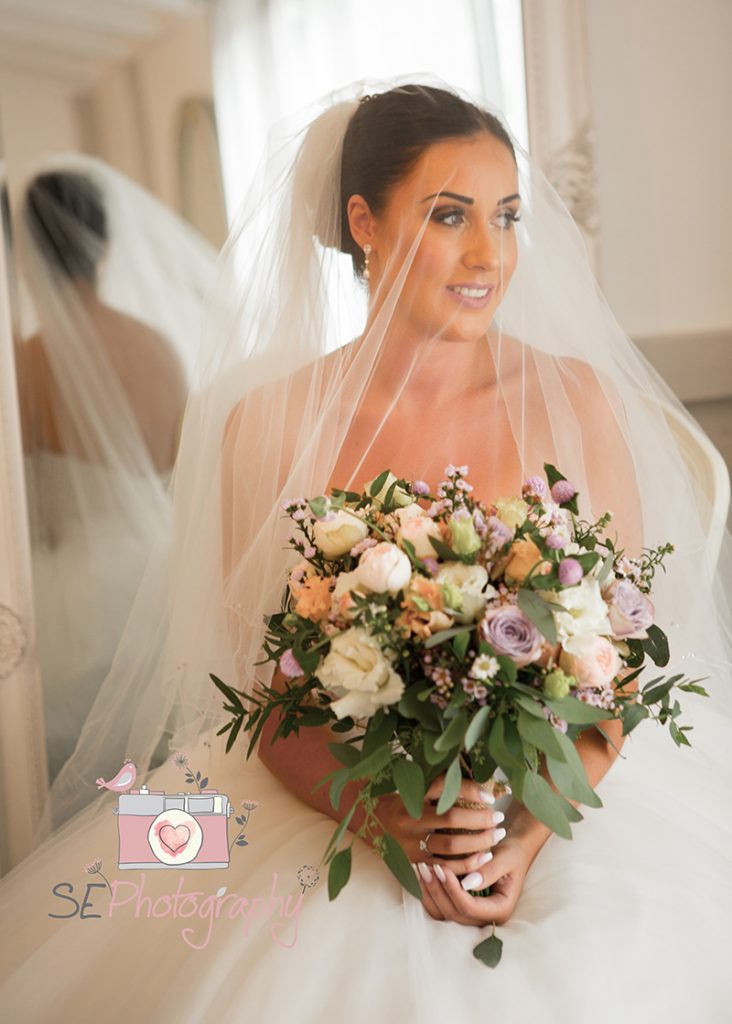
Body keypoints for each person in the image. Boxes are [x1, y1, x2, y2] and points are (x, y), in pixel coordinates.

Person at [0, 80, 730, 1023]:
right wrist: (386, 816)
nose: (490, 253)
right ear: (364, 223)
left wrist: (524, 833)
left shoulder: (577, 398)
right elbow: (263, 698)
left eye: (507, 217)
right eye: (450, 215)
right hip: (333, 785)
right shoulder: (267, 425)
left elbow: (613, 669)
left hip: (556, 781)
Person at [12, 156, 218, 785]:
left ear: (30, 254)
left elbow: (24, 511)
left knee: (85, 777)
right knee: (171, 768)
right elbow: (185, 474)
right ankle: (183, 847)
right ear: (104, 244)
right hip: (161, 581)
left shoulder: (27, 364)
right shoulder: (158, 347)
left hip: (72, 601)